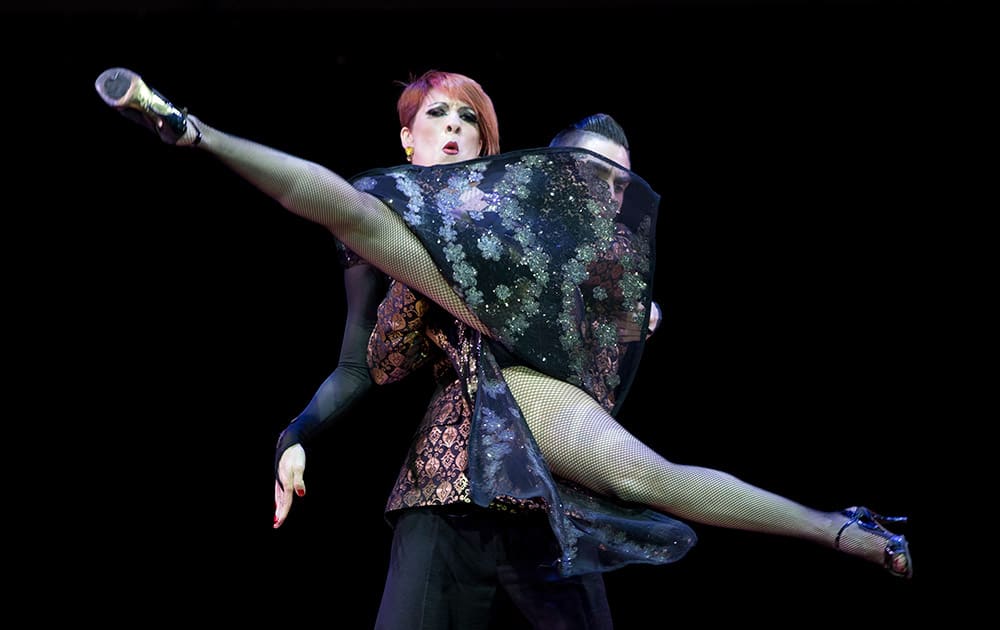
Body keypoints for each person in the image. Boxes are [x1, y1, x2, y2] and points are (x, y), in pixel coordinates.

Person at [94, 66, 913, 623]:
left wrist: (631, 303)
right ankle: (190, 130)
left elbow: (611, 296)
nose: (452, 129)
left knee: (641, 473)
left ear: (491, 151)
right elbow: (358, 364)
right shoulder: (395, 226)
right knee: (361, 213)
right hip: (451, 465)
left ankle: (840, 528)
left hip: (536, 418)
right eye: (436, 117)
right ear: (410, 141)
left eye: (468, 121)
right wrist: (295, 436)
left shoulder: (527, 224)